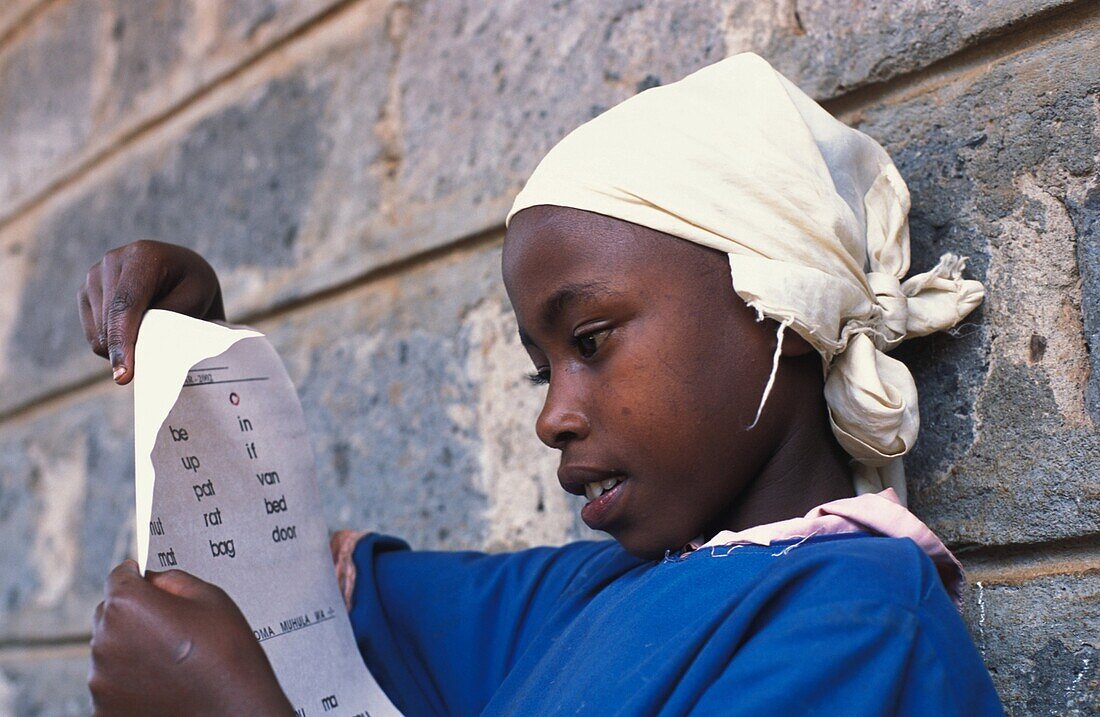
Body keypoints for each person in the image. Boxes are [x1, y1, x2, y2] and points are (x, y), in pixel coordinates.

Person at [79, 53, 1003, 715]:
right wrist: (197, 368)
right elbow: (279, 602)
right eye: (540, 365)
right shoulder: (580, 599)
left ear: (781, 304)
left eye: (591, 340)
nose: (552, 415)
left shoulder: (862, 626)